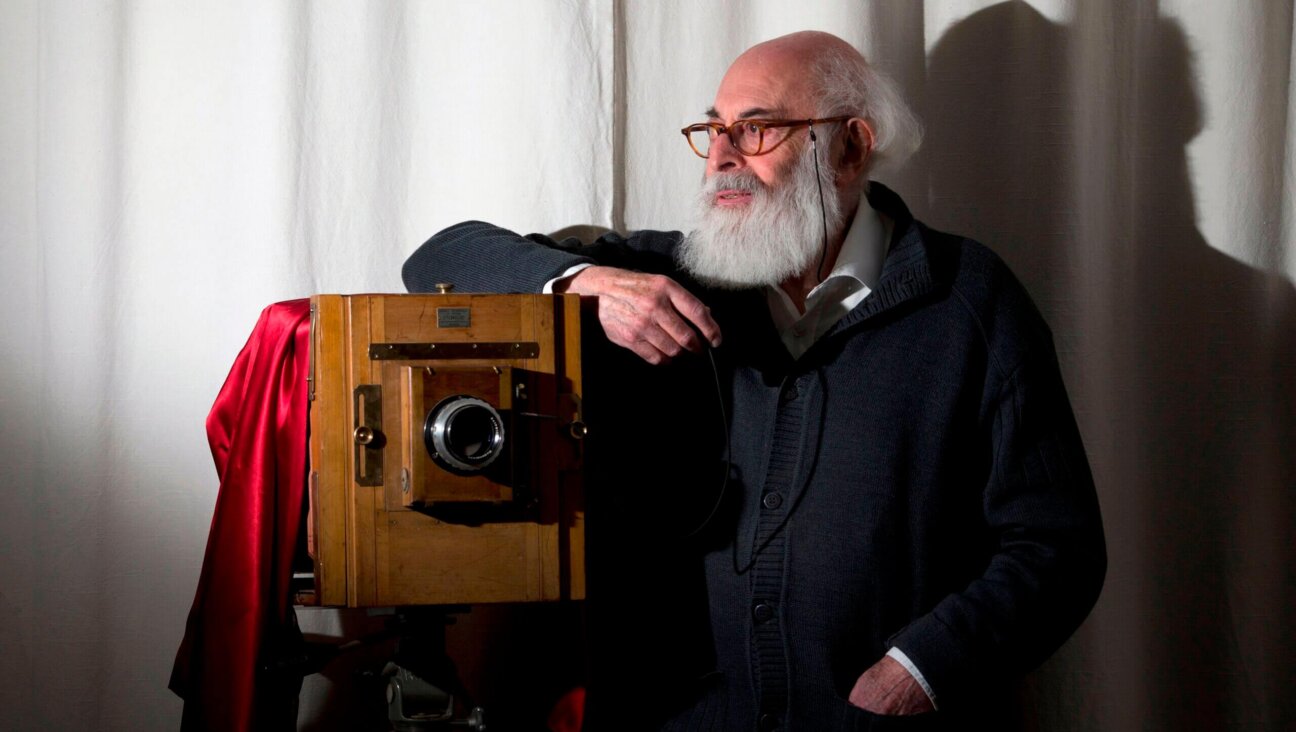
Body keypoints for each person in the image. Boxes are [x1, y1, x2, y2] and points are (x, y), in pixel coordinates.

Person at [403, 30, 1106, 731]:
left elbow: (1056, 549)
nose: (721, 159)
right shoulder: (665, 276)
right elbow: (439, 259)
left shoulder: (970, 302)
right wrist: (589, 284)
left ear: (850, 147)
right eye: (712, 130)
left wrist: (922, 670)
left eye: (757, 128)